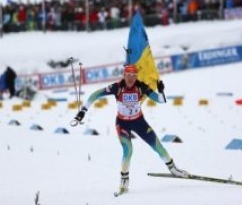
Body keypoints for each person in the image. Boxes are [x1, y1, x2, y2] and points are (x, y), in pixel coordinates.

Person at [74, 64, 189, 193]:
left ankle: (173, 169)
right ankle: (124, 182)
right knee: (128, 150)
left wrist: (161, 91)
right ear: (124, 75)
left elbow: (161, 100)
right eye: (128, 76)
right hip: (122, 124)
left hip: (139, 122)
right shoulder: (117, 87)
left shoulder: (141, 86)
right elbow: (95, 95)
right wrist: (83, 111)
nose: (131, 79)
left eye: (134, 76)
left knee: (157, 145)